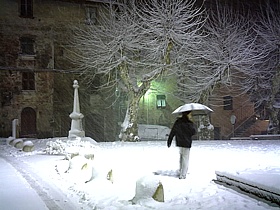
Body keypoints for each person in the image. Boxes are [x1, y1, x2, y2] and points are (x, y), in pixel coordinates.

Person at [167, 111, 196, 179]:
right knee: (185, 158)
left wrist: (169, 140)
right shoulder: (189, 123)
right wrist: (192, 123)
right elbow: (193, 132)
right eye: (190, 114)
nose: (191, 115)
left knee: (181, 157)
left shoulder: (178, 121)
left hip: (179, 142)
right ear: (187, 114)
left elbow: (173, 131)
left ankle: (181, 171)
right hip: (186, 142)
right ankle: (183, 175)